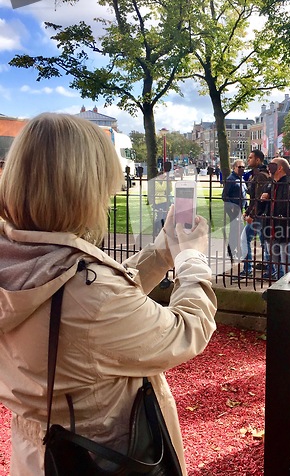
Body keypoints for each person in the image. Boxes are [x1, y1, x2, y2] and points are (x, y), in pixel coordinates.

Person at [0, 113, 217, 476]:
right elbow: (188, 330)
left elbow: (83, 291)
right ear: (83, 189)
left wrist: (162, 252)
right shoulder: (93, 298)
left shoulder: (21, 260)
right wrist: (191, 257)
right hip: (105, 455)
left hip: (38, 453)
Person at [260, 157, 290, 280]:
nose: (269, 168)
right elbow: (260, 210)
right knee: (276, 265)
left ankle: (288, 291)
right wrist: (262, 201)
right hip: (271, 234)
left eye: (272, 165)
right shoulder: (270, 186)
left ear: (279, 168)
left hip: (285, 234)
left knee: (287, 268)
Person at [239, 150, 271, 276]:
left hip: (260, 216)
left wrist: (251, 215)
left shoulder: (261, 176)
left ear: (258, 160)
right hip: (259, 215)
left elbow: (259, 199)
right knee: (264, 242)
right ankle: (269, 269)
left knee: (257, 241)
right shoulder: (256, 174)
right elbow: (253, 198)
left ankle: (250, 269)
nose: (248, 159)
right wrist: (247, 212)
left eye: (251, 157)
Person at [222, 159, 247, 261]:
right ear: (234, 168)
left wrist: (247, 207)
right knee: (235, 231)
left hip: (241, 209)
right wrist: (231, 207)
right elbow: (224, 196)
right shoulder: (231, 179)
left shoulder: (242, 179)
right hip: (233, 210)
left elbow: (244, 194)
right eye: (239, 167)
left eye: (243, 167)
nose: (242, 169)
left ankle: (236, 251)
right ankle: (232, 251)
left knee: (240, 231)